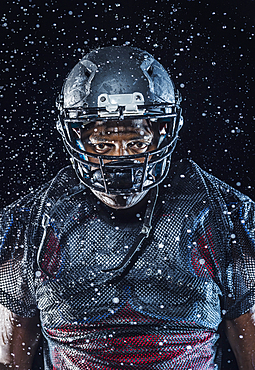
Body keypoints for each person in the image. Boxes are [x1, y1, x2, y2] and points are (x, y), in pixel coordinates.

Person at [0, 45, 254, 370]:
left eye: (135, 143)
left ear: (163, 133)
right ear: (75, 137)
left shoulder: (224, 215)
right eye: (104, 144)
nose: (121, 161)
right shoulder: (31, 222)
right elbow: (9, 358)